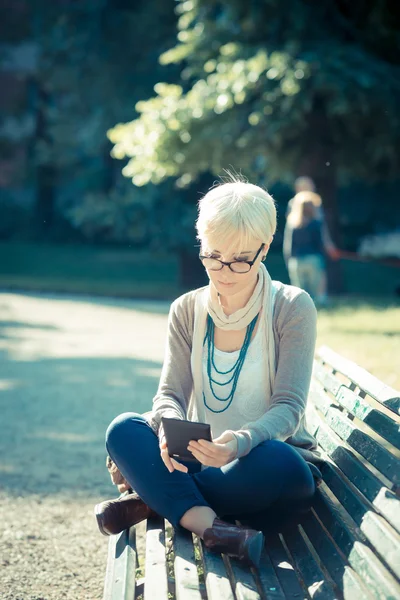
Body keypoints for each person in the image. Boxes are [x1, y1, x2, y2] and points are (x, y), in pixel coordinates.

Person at [94, 178, 322, 569]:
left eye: (240, 259)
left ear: (265, 248)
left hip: (263, 473)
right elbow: (169, 394)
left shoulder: (291, 307)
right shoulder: (186, 309)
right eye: (213, 256)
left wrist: (237, 445)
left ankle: (155, 500)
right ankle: (211, 527)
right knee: (123, 429)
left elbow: (289, 408)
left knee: (276, 460)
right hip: (203, 464)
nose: (224, 271)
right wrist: (167, 427)